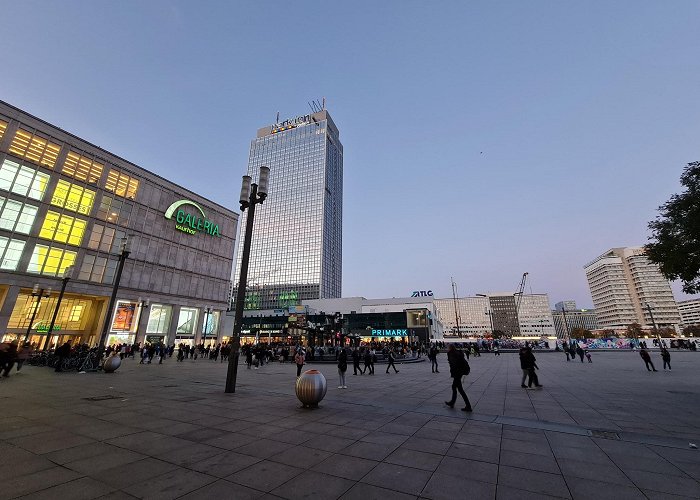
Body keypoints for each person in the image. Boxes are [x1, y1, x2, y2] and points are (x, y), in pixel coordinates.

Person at [444, 344, 472, 412]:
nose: (447, 348)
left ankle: (468, 406)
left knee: (460, 390)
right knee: (454, 387)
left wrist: (454, 373)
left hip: (457, 373)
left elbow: (454, 365)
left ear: (450, 348)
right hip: (460, 372)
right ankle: (452, 402)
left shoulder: (452, 354)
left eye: (448, 347)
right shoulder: (457, 353)